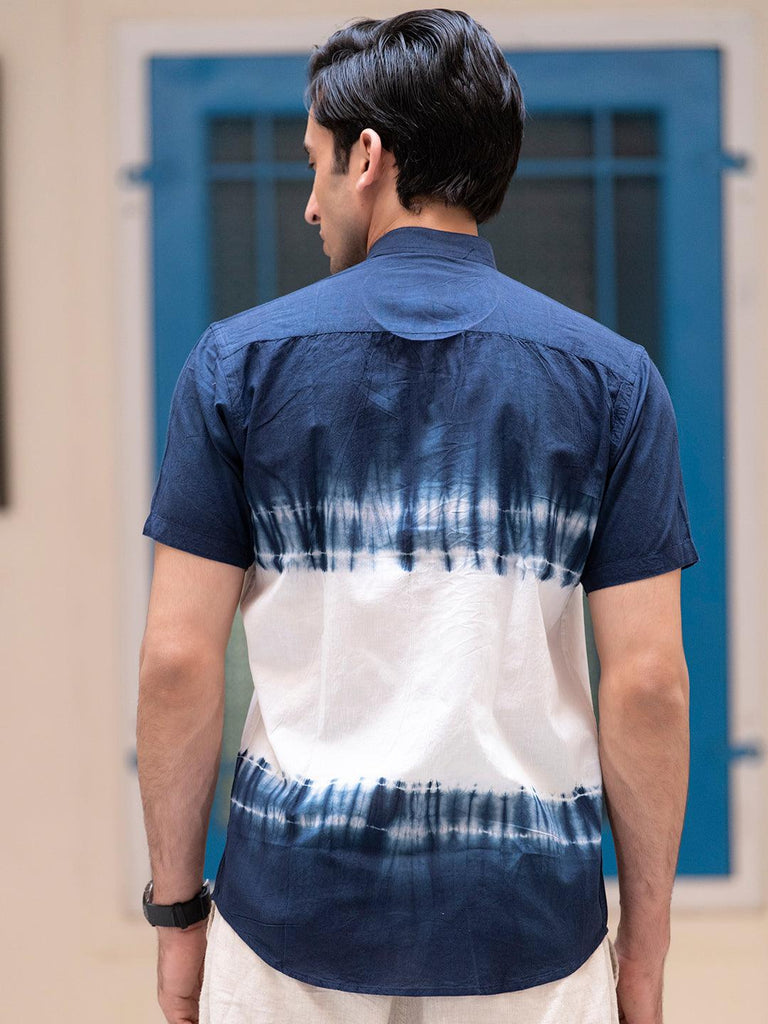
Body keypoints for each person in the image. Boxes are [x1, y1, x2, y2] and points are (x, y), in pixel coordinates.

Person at [137, 9, 699, 1024]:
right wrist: (645, 946)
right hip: (531, 935)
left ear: (367, 158)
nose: (309, 204)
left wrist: (178, 916)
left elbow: (177, 664)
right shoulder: (614, 382)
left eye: (313, 164)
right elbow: (649, 683)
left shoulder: (239, 366)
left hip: (289, 928)